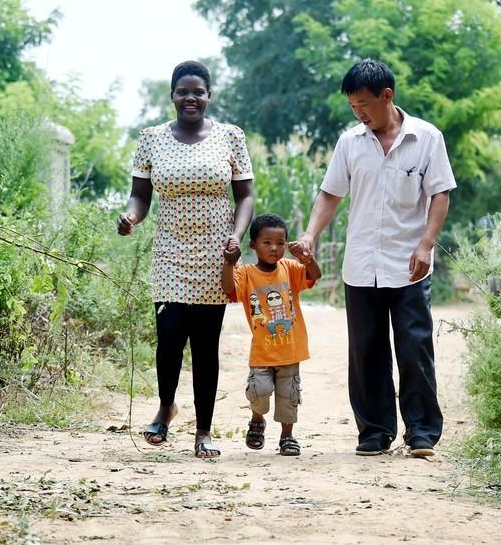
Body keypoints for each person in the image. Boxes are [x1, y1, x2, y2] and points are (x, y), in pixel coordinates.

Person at [289, 59, 456, 457]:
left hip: (409, 263)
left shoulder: (427, 138)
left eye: (364, 104)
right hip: (362, 263)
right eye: (352, 107)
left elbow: (440, 194)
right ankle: (375, 430)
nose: (359, 113)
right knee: (366, 350)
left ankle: (421, 431)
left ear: (387, 96)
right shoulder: (350, 143)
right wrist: (311, 234)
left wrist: (426, 243)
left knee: (414, 347)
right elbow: (330, 194)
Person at [117, 60, 254, 458]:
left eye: (198, 91)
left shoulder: (230, 137)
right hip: (170, 252)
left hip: (217, 253)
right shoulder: (152, 139)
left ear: (209, 96)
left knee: (206, 345)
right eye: (183, 91)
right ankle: (165, 407)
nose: (191, 98)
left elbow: (244, 195)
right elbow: (140, 195)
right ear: (173, 96)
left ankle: (204, 432)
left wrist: (236, 237)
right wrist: (131, 217)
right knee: (169, 339)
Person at [221, 213, 321, 456]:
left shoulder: (289, 267)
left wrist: (308, 260)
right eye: (267, 242)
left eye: (280, 243)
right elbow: (228, 289)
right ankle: (257, 419)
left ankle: (287, 436)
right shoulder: (245, 274)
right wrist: (229, 263)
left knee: (289, 397)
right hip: (263, 352)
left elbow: (314, 276)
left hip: (291, 350)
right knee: (260, 392)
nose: (274, 248)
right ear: (253, 244)